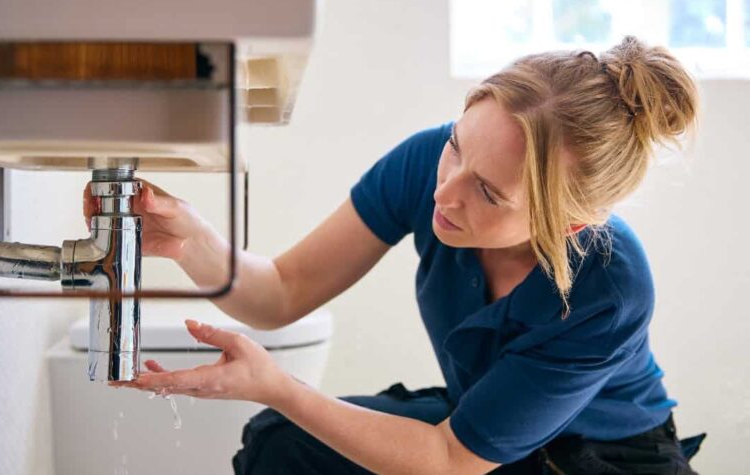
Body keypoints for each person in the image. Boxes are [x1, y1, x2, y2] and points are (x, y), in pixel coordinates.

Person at [86, 36, 705, 474]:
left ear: (571, 222)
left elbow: (450, 461)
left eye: (488, 192)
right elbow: (282, 290)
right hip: (481, 429)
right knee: (279, 445)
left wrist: (276, 386)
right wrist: (190, 238)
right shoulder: (429, 164)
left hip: (598, 458)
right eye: (458, 147)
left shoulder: (611, 286)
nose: (446, 191)